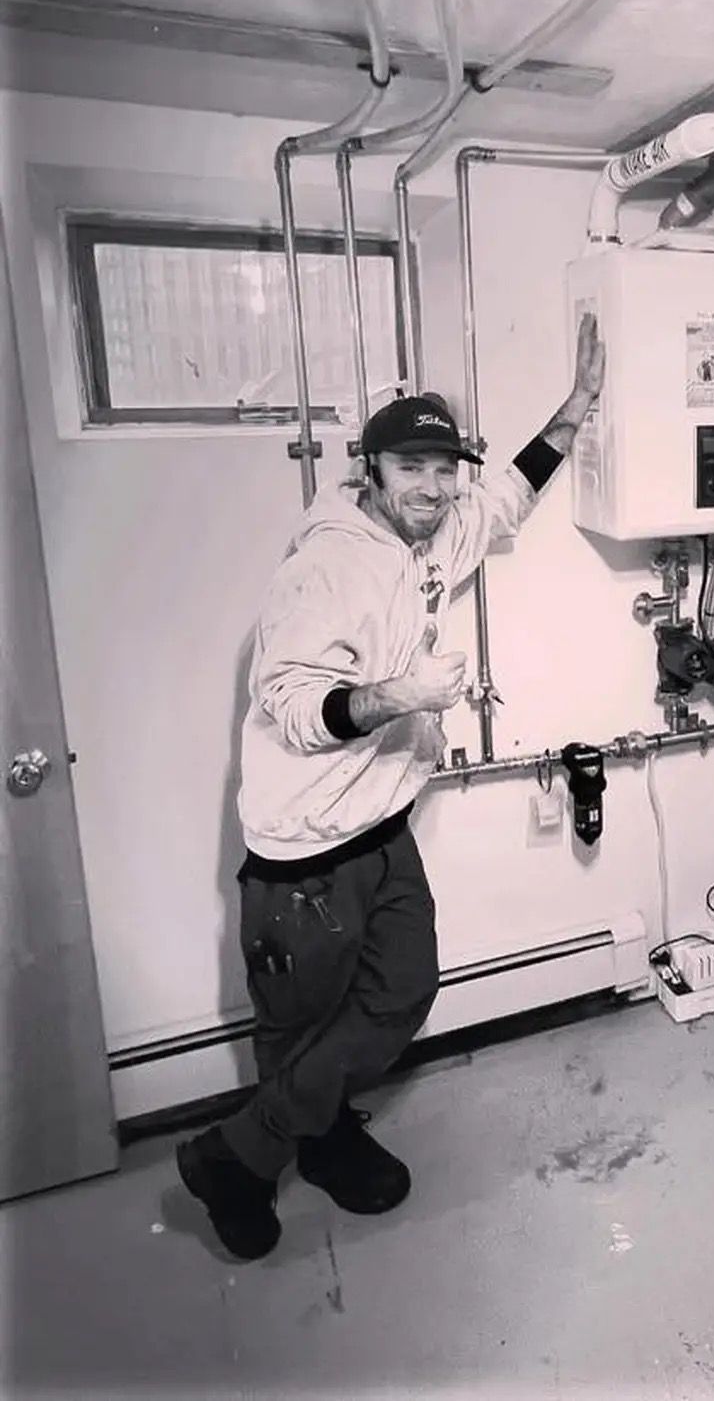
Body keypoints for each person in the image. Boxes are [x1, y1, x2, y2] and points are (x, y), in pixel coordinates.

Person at [176, 315, 604, 1261]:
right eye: (412, 467)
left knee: (403, 988)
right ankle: (253, 1162)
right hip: (305, 852)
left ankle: (254, 1146)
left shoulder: (439, 529)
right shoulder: (324, 568)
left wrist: (573, 413)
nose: (435, 485)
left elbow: (506, 499)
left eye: (445, 466)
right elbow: (291, 704)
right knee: (299, 1026)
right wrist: (395, 695)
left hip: (381, 822)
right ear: (369, 467)